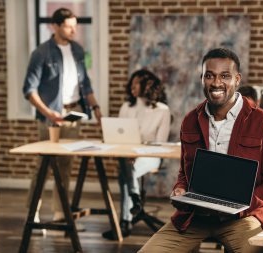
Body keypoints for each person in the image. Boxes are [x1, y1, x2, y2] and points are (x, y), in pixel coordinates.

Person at [139, 48, 263, 253]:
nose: (216, 83)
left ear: (237, 79)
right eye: (209, 76)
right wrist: (181, 188)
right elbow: (185, 172)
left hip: (242, 217)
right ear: (202, 79)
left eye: (225, 76)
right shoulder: (191, 120)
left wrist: (243, 204)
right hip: (195, 216)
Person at [22, 8, 102, 223]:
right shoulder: (41, 53)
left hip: (73, 113)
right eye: (68, 26)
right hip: (51, 117)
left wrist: (95, 107)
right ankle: (33, 213)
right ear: (54, 26)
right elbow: (29, 90)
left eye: (75, 26)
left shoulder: (77, 50)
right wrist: (49, 113)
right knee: (44, 165)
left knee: (66, 165)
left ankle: (60, 213)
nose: (73, 30)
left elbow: (85, 84)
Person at [102, 69, 171, 240]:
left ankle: (125, 222)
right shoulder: (126, 107)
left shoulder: (162, 110)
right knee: (127, 165)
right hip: (128, 154)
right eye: (131, 83)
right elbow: (119, 137)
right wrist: (130, 152)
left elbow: (160, 144)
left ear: (147, 86)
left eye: (136, 83)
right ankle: (135, 199)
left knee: (124, 173)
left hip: (151, 156)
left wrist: (139, 153)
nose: (131, 87)